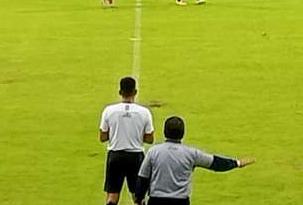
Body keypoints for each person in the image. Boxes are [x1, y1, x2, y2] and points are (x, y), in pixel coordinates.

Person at [133, 116, 255, 205]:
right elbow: (215, 163)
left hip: (157, 200)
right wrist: (236, 163)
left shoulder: (154, 152)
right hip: (181, 201)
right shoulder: (191, 153)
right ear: (183, 133)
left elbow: (143, 177)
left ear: (165, 132)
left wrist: (139, 198)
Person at [100, 77, 155, 205]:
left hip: (115, 155)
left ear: (120, 92)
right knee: (138, 196)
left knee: (112, 195)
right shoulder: (144, 112)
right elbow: (150, 139)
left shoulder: (109, 111)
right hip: (135, 157)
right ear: (135, 92)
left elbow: (103, 137)